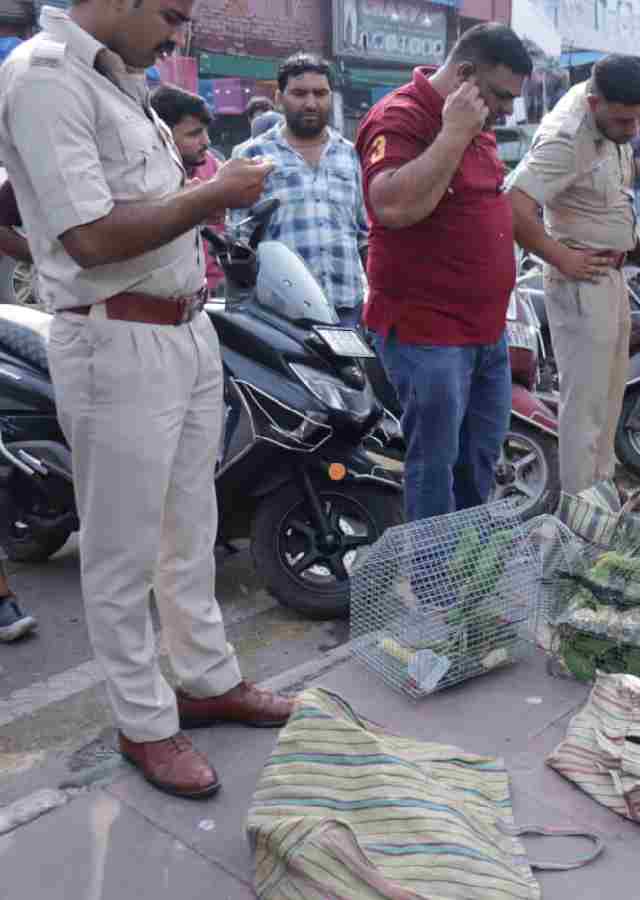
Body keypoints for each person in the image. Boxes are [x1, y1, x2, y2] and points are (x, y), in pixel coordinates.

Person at [0, 0, 293, 799]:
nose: (178, 32)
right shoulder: (42, 77)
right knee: (123, 548)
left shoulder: (121, 81)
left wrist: (29, 228)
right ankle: (144, 723)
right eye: (170, 12)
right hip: (115, 340)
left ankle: (204, 680)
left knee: (190, 525)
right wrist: (215, 192)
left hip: (185, 328)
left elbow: (16, 194)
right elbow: (91, 236)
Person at [355, 24, 532, 523]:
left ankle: (466, 566)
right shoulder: (400, 117)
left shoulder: (480, 123)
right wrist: (453, 133)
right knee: (434, 467)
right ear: (465, 74)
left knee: (478, 460)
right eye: (500, 95)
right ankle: (433, 585)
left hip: (486, 332)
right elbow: (391, 205)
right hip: (427, 333)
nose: (505, 110)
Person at [508, 55, 640, 497]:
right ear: (594, 103)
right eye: (624, 121)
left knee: (608, 400)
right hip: (580, 280)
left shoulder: (607, 116)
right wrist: (560, 257)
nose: (633, 130)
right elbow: (513, 206)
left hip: (609, 276)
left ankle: (600, 495)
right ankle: (579, 512)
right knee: (583, 408)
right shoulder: (566, 140)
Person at [229, 54, 368, 328]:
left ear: (331, 96)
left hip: (347, 310)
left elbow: (363, 233)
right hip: (282, 313)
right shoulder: (253, 155)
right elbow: (238, 239)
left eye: (320, 93)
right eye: (299, 93)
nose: (311, 103)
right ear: (279, 98)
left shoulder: (350, 154)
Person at [149, 85, 224, 295]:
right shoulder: (147, 177)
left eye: (206, 131)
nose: (206, 142)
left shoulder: (212, 166)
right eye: (194, 134)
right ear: (163, 134)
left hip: (214, 293)